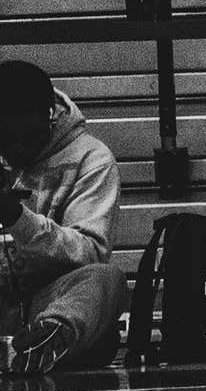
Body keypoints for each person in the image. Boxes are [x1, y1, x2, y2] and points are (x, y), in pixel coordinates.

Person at [0, 61, 124, 374]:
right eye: (5, 136)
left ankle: (44, 342)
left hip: (47, 302)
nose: (17, 147)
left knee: (105, 279)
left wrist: (17, 217)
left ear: (50, 114)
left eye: (28, 135)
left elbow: (90, 253)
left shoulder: (91, 159)